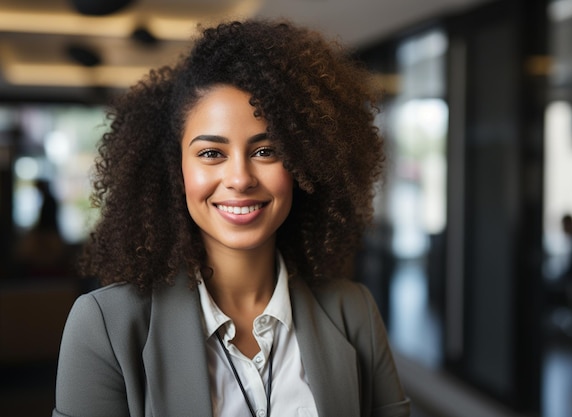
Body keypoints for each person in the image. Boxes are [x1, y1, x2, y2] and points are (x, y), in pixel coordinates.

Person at [52, 20, 410, 417]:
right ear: (176, 169)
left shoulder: (354, 311)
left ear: (303, 164)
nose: (239, 178)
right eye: (211, 153)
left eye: (265, 151)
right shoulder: (105, 326)